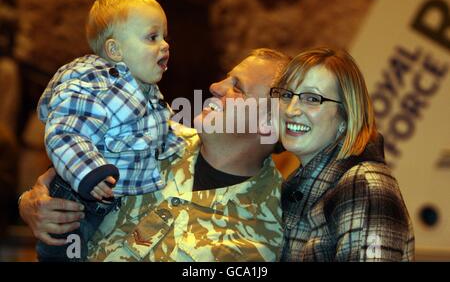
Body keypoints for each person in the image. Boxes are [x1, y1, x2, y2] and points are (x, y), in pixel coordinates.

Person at [19, 48, 292, 261]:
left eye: (238, 88)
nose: (216, 86)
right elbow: (59, 175)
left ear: (267, 125)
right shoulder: (146, 133)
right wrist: (31, 205)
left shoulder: (267, 229)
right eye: (226, 77)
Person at [35, 0, 184, 261]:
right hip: (76, 198)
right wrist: (89, 172)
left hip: (111, 200)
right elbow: (65, 133)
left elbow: (159, 128)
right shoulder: (91, 85)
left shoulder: (146, 89)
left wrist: (176, 145)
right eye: (153, 37)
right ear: (115, 50)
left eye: (165, 36)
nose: (165, 45)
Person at [270, 47, 414, 261]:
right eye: (287, 94)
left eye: (312, 99)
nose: (291, 110)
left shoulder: (364, 185)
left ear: (346, 116)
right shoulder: (303, 185)